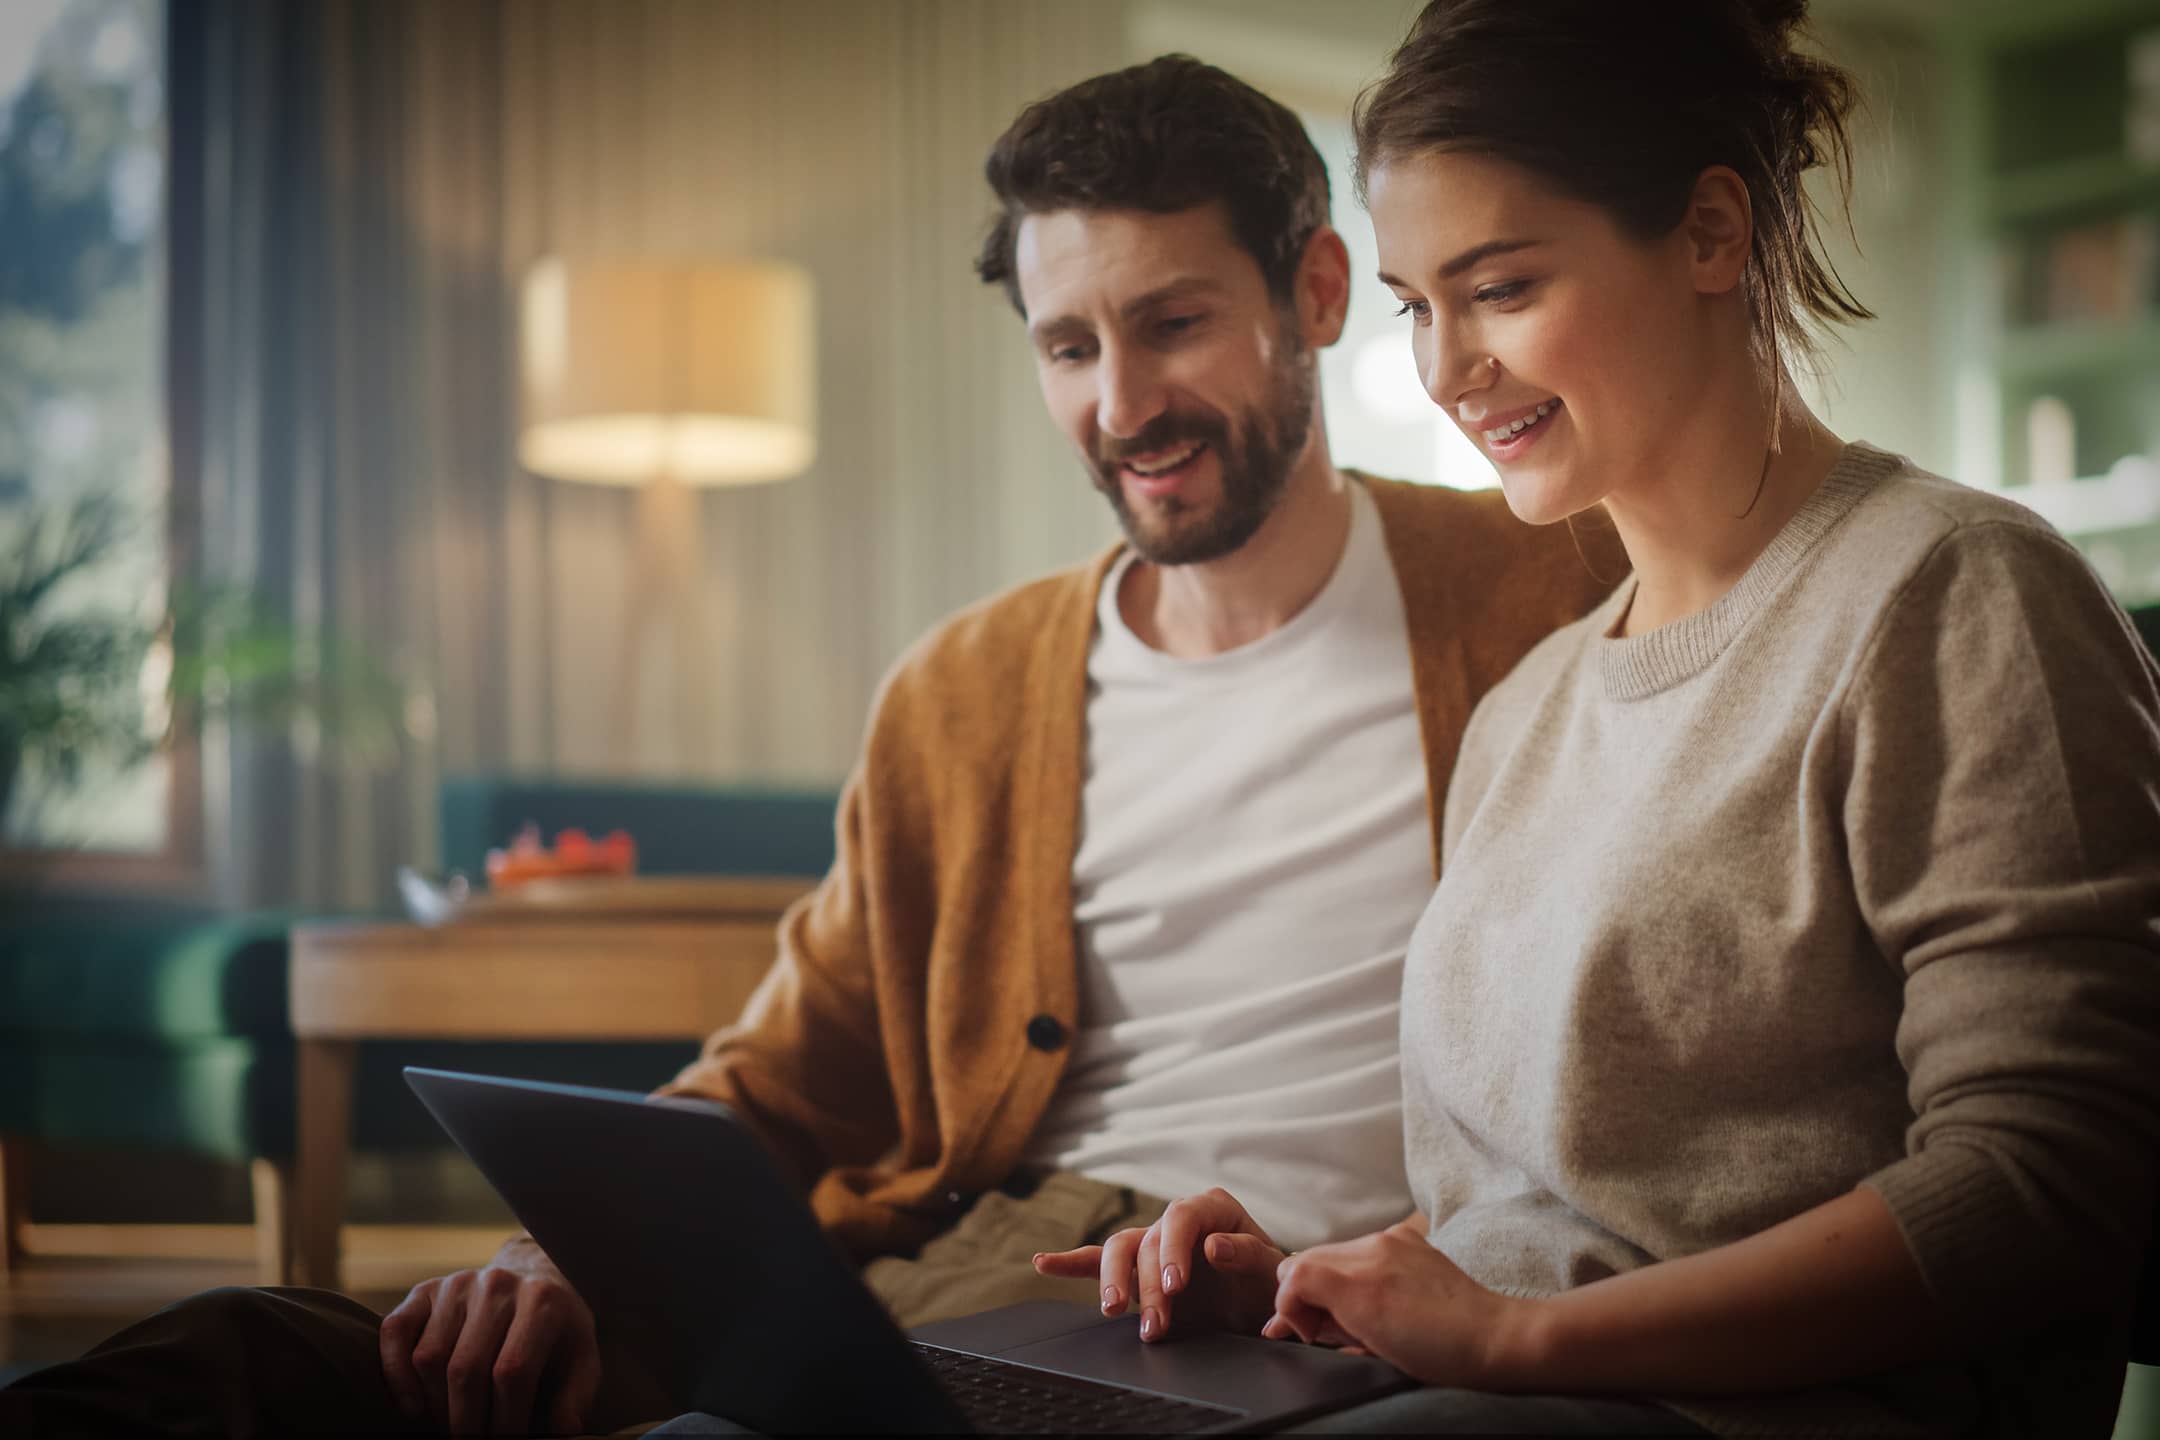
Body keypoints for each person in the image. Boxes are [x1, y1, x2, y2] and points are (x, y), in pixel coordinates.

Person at [0, 56, 1617, 1439]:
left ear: (1317, 294)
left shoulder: (1555, 588)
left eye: (1173, 323)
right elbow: (788, 1068)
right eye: (1069, 347)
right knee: (244, 1365)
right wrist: (562, 1252)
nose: (1124, 405)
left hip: (1248, 1302)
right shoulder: (965, 691)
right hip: (964, 1264)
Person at [1040, 2, 2160, 1436]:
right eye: (1416, 306)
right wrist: (1319, 1285)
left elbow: (2039, 1190)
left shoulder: (1955, 592)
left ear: (1710, 235)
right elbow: (1551, 1213)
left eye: (1501, 289)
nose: (1447, 369)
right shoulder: (1529, 707)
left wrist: (1517, 1340)